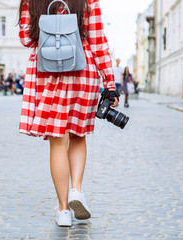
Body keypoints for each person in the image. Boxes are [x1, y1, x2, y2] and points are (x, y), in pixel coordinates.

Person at [18, 0, 118, 227]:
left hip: (48, 71)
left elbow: (26, 39)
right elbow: (98, 40)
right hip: (82, 69)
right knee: (77, 135)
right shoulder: (89, 1)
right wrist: (110, 84)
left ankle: (63, 210)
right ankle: (77, 190)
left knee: (57, 141)